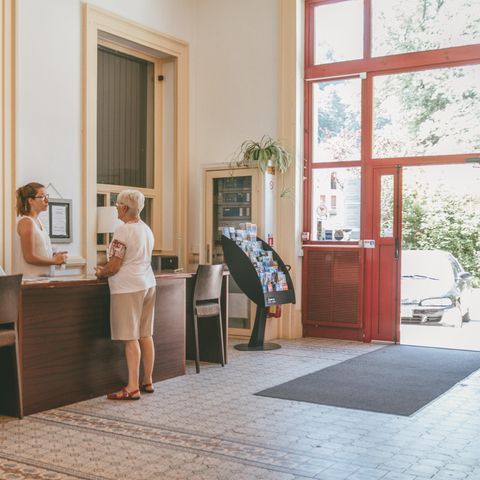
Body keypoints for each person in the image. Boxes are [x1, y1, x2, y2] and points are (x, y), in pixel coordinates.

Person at [95, 189, 156, 400]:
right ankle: (148, 380)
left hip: (128, 288)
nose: (116, 209)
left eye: (116, 205)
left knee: (130, 338)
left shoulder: (123, 230)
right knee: (145, 335)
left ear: (124, 207)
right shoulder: (146, 229)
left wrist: (101, 273)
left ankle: (132, 387)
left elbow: (114, 265)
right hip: (148, 283)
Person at [14, 182, 67, 277]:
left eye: (46, 196)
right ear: (30, 200)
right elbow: (29, 257)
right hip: (31, 281)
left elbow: (39, 253)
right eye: (42, 197)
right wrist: (54, 260)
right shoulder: (26, 222)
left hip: (43, 280)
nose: (47, 200)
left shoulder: (38, 221)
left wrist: (53, 256)